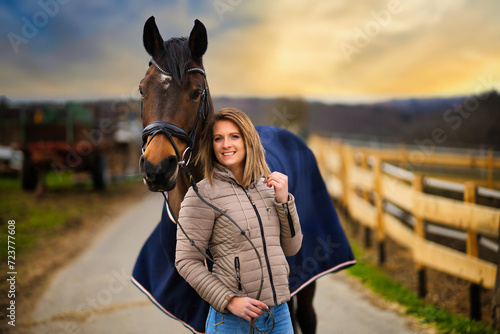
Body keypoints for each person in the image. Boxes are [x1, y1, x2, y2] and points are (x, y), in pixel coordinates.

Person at [175, 108, 303, 334]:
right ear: (211, 146)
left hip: (279, 315)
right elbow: (186, 261)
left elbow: (291, 248)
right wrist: (229, 300)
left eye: (234, 136)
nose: (226, 145)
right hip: (232, 323)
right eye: (218, 139)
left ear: (248, 140)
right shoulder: (201, 195)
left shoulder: (268, 188)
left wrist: (284, 202)